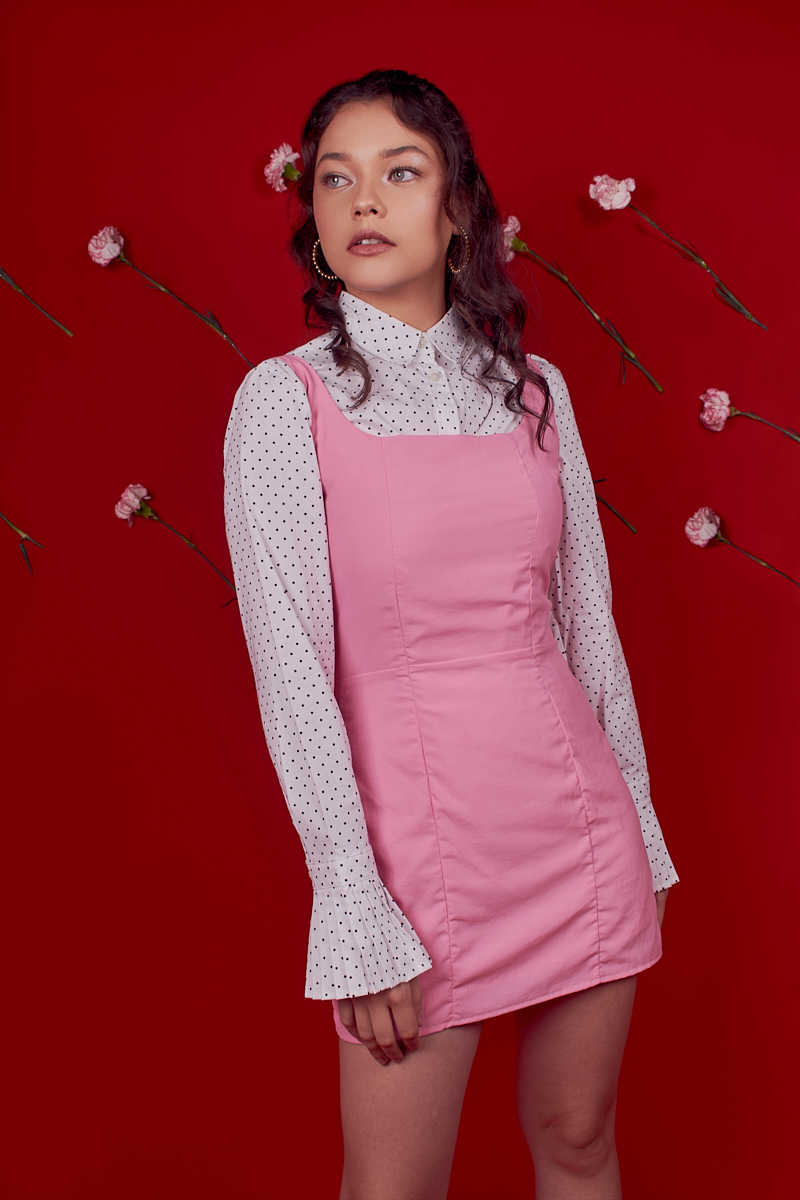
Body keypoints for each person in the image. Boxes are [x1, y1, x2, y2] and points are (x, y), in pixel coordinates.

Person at [224, 68, 678, 1200]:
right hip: (411, 867)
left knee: (577, 1144)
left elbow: (588, 624)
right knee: (394, 1189)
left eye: (399, 171)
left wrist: (641, 823)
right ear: (316, 221)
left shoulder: (537, 392)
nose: (362, 200)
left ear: (458, 209)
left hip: (572, 828)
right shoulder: (283, 403)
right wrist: (351, 902)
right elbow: (291, 673)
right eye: (335, 178)